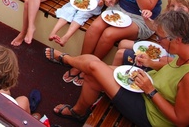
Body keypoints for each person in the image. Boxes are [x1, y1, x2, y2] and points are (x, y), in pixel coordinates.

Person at [46, 10, 189, 127]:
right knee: (92, 74)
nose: (158, 41)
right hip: (145, 86)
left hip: (150, 113)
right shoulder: (182, 55)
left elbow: (181, 120)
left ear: (177, 40)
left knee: (95, 66)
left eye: (161, 38)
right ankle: (78, 112)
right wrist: (150, 63)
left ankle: (67, 59)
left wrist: (151, 91)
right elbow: (170, 66)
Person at [112, 0, 189, 68]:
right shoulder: (168, 20)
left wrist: (152, 62)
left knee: (120, 54)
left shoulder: (185, 31)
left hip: (166, 62)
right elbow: (154, 27)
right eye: (172, 6)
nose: (175, 10)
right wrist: (146, 18)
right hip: (159, 49)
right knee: (123, 43)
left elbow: (177, 62)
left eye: (181, 8)